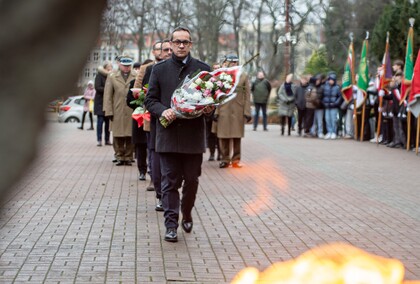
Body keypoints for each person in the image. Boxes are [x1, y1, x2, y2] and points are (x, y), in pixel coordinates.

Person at [144, 27, 211, 242]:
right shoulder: (159, 69)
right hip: (168, 136)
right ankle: (171, 224)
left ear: (191, 44)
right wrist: (163, 110)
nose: (181, 45)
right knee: (169, 182)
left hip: (193, 138)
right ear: (170, 45)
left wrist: (210, 109)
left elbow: (211, 100)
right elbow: (150, 100)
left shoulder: (202, 70)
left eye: (186, 42)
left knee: (191, 180)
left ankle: (187, 212)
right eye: (177, 42)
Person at [142, 40, 172, 210]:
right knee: (157, 160)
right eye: (165, 49)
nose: (168, 52)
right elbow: (145, 96)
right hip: (155, 122)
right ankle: (161, 194)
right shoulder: (151, 69)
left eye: (170, 49)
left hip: (178, 125)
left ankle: (170, 193)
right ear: (157, 52)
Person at [214, 54, 251, 169]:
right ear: (226, 62)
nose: (233, 64)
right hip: (223, 110)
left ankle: (236, 159)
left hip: (237, 110)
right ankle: (225, 159)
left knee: (236, 136)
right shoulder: (221, 76)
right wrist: (215, 111)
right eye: (231, 62)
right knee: (223, 137)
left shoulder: (243, 76)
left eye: (235, 62)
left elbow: (247, 95)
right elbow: (215, 94)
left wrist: (247, 111)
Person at [103, 55, 137, 166]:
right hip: (117, 110)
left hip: (132, 110)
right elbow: (107, 95)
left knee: (130, 134)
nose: (127, 68)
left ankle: (128, 156)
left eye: (128, 65)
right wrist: (108, 111)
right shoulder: (112, 76)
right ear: (120, 64)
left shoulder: (136, 76)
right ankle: (119, 155)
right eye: (124, 65)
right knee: (117, 135)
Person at [94, 61, 113, 146]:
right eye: (109, 67)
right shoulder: (99, 76)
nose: (110, 68)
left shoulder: (111, 76)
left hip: (108, 102)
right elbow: (97, 87)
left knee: (108, 123)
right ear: (105, 68)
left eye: (111, 67)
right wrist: (108, 90)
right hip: (100, 102)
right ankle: (99, 139)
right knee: (100, 122)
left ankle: (107, 139)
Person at [206, 63, 221, 161]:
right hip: (209, 113)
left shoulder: (224, 82)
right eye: (214, 68)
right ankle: (211, 153)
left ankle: (220, 153)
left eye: (218, 69)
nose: (216, 70)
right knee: (210, 135)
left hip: (220, 113)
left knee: (219, 135)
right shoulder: (208, 81)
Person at [321, 72, 342, 139]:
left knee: (333, 120)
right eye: (330, 79)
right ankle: (329, 132)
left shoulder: (337, 87)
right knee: (327, 119)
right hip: (327, 106)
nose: (331, 81)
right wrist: (324, 103)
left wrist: (335, 103)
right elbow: (322, 96)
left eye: (332, 80)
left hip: (334, 106)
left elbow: (340, 97)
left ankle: (334, 132)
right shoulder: (325, 87)